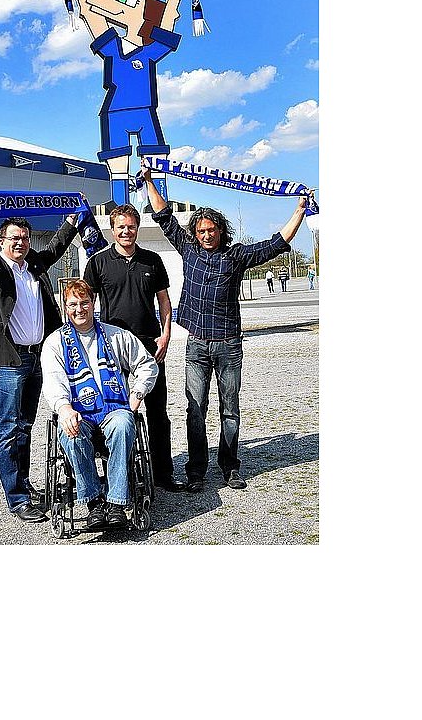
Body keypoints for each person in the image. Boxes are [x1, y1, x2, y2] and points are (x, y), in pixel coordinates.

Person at [141, 165, 308, 491]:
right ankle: (196, 471)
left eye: (211, 230)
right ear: (195, 233)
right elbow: (164, 217)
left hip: (229, 345)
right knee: (195, 410)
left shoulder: (236, 256)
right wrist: (148, 181)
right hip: (196, 345)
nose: (206, 235)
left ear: (221, 230)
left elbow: (276, 244)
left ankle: (230, 467)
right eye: (201, 231)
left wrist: (300, 210)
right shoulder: (188, 249)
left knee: (230, 410)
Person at [0, 188, 79, 522]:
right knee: (8, 427)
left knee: (25, 424)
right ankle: (17, 498)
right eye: (14, 238)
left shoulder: (33, 265)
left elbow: (56, 247)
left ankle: (23, 484)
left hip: (37, 357)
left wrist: (73, 216)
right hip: (9, 360)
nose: (21, 243)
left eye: (24, 238)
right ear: (1, 241)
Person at [60, 0, 197, 204]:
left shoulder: (149, 52)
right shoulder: (113, 48)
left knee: (155, 154)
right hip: (115, 111)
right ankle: (120, 203)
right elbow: (94, 19)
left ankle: (159, 200)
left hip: (145, 109)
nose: (120, 7)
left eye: (129, 2)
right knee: (117, 158)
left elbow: (166, 26)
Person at [83, 203, 185, 492]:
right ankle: (121, 474)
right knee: (116, 412)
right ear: (112, 229)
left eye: (131, 226)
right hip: (111, 349)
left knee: (157, 413)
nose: (126, 231)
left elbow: (164, 302)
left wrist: (165, 335)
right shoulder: (98, 263)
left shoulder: (152, 260)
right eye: (121, 227)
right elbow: (85, 304)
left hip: (150, 346)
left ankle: (163, 473)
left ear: (137, 228)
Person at [41, 279, 158, 529]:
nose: (79, 309)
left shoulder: (115, 335)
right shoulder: (55, 342)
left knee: (123, 423)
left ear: (93, 303)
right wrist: (64, 408)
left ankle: (116, 503)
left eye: (84, 302)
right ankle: (94, 503)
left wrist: (137, 394)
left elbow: (147, 364)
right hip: (78, 412)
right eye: (73, 304)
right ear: (65, 307)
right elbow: (53, 381)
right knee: (70, 433)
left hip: (114, 409)